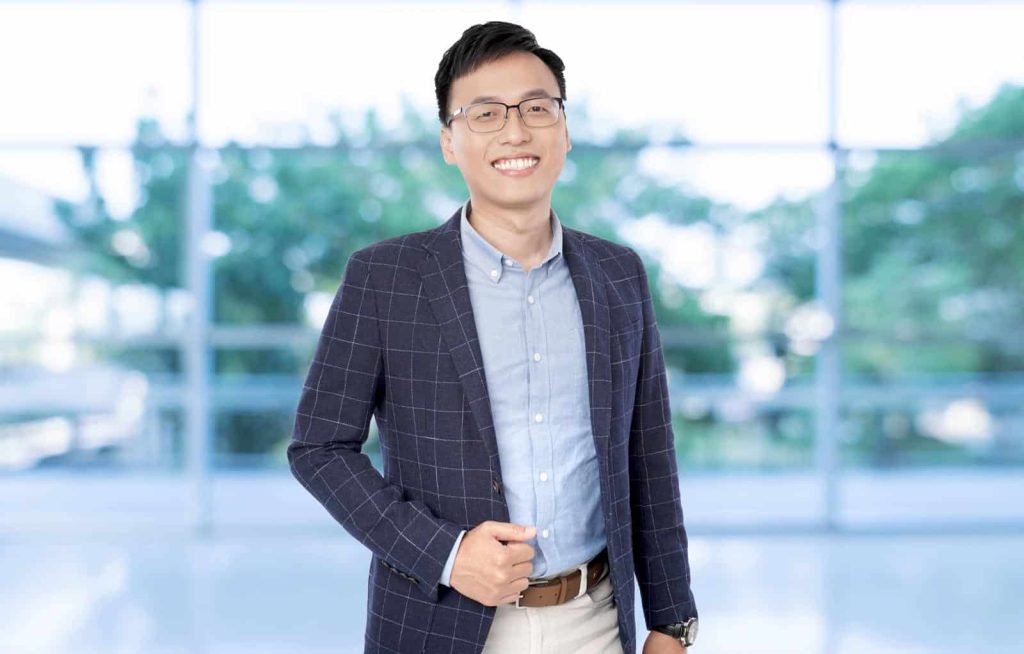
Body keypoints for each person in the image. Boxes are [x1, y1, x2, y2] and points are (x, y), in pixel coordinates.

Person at [288, 20, 698, 654]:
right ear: (450, 142)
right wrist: (447, 555)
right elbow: (319, 448)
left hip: (595, 621)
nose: (515, 131)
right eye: (485, 113)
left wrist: (672, 622)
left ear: (564, 130)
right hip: (440, 622)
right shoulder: (385, 277)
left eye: (537, 108)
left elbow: (648, 457)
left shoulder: (619, 275)